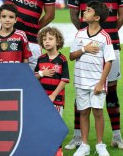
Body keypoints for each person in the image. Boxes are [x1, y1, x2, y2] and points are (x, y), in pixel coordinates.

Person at [67, 0, 123, 150]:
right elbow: (74, 16)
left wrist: (105, 34)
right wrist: (87, 36)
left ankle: (117, 136)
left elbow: (121, 17)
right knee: (82, 91)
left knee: (111, 91)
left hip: (110, 45)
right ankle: (77, 137)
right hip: (85, 48)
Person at [69, 1, 115, 156]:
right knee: (83, 112)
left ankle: (100, 145)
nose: (84, 11)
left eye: (88, 10)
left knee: (98, 112)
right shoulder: (79, 34)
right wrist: (84, 49)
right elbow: (71, 56)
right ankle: (84, 145)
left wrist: (101, 83)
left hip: (97, 82)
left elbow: (109, 61)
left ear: (96, 17)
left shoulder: (105, 37)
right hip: (81, 81)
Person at [35, 26, 69, 156]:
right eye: (44, 39)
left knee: (55, 125)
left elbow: (65, 79)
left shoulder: (62, 59)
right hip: (42, 99)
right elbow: (34, 76)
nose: (47, 41)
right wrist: (42, 73)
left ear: (58, 41)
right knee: (43, 123)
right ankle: (45, 147)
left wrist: (54, 95)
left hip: (57, 99)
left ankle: (58, 149)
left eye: (50, 39)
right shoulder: (41, 59)